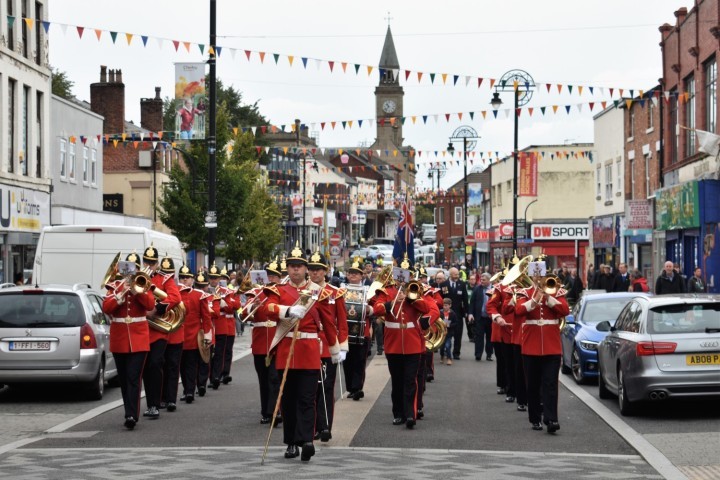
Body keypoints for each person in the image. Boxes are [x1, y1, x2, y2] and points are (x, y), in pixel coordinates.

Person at [258, 243, 340, 462]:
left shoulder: (317, 292)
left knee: (307, 398)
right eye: (291, 266)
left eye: (299, 266)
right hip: (286, 351)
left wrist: (335, 348)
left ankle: (306, 441)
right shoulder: (279, 290)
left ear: (305, 268)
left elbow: (328, 323)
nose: (295, 270)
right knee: (288, 400)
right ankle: (291, 442)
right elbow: (268, 309)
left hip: (310, 352)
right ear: (287, 268)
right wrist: (287, 310)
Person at [370, 257, 434, 429]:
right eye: (400, 275)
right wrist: (392, 302)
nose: (402, 278)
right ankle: (398, 413)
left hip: (413, 343)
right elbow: (377, 309)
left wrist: (411, 298)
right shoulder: (387, 291)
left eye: (406, 275)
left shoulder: (416, 291)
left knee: (410, 380)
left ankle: (410, 414)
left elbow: (427, 309)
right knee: (397, 381)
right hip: (393, 343)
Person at [102, 252, 155, 430]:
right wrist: (120, 294)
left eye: (133, 269)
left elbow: (150, 305)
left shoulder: (144, 284)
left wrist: (136, 291)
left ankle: (131, 415)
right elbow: (106, 307)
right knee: (124, 379)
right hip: (119, 339)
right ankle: (129, 410)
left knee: (134, 377)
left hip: (139, 339)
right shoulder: (114, 286)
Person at [516, 270, 570, 433]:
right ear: (532, 277)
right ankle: (535, 418)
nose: (539, 279)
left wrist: (549, 298)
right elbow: (519, 311)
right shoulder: (524, 292)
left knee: (550, 384)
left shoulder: (556, 291)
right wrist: (535, 299)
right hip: (531, 345)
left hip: (551, 345)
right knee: (532, 384)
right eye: (536, 276)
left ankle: (551, 418)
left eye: (542, 276)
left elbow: (565, 310)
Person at [308, 250, 348, 443]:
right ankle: (314, 426)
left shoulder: (334, 292)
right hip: (308, 345)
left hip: (328, 346)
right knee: (310, 389)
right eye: (312, 270)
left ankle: (325, 426)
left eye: (318, 270)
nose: (315, 273)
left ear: (325, 271)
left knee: (326, 387)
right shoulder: (304, 291)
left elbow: (341, 322)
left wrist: (342, 347)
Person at [141, 246, 181, 420]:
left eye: (152, 262)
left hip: (158, 331)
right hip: (141, 331)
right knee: (145, 369)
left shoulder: (164, 279)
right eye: (147, 262)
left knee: (155, 364)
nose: (149, 265)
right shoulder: (139, 277)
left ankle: (155, 405)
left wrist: (156, 309)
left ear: (157, 263)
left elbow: (175, 297)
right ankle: (150, 403)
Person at [242, 257, 282, 425]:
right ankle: (265, 411)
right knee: (263, 379)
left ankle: (275, 411)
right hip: (260, 342)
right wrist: (253, 306)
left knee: (274, 377)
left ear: (280, 277)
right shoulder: (257, 292)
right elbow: (243, 314)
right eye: (269, 275)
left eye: (275, 276)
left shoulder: (282, 292)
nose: (271, 279)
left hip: (277, 339)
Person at [178, 264, 212, 405]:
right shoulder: (175, 293)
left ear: (193, 280)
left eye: (188, 278)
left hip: (193, 336)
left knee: (191, 365)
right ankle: (187, 389)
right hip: (178, 335)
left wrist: (207, 335)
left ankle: (190, 391)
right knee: (181, 366)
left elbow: (206, 317)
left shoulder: (199, 295)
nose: (185, 280)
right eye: (183, 278)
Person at [343, 257, 375, 400]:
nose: (353, 275)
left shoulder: (368, 290)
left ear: (362, 275)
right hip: (346, 331)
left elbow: (377, 307)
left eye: (356, 273)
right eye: (351, 273)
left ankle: (357, 388)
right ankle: (350, 387)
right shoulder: (341, 290)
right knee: (347, 361)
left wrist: (370, 310)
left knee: (360, 361)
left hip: (363, 331)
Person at [158, 256, 184, 412]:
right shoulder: (155, 283)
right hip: (160, 332)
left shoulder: (177, 288)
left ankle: (171, 399)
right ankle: (160, 397)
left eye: (169, 273)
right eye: (164, 272)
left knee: (173, 367)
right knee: (159, 366)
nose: (166, 275)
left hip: (175, 333)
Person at [439, 267, 469, 359]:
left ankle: (456, 353)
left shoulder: (462, 284)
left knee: (458, 334)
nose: (457, 276)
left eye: (457, 274)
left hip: (458, 315)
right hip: (446, 315)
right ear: (450, 274)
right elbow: (441, 298)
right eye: (455, 274)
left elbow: (465, 299)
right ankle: (444, 351)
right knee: (446, 333)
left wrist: (467, 312)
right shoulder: (444, 284)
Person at [469, 273, 493, 361]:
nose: (481, 281)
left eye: (484, 280)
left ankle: (489, 354)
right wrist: (470, 314)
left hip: (490, 318)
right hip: (480, 317)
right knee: (479, 337)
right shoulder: (477, 289)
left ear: (489, 280)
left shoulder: (493, 289)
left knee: (490, 337)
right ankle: (478, 354)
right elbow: (472, 302)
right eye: (481, 280)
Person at [440, 298, 457, 364]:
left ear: (450, 305)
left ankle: (449, 358)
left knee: (447, 346)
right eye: (444, 305)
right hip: (442, 333)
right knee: (441, 347)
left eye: (446, 305)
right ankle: (442, 356)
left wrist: (450, 325)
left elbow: (455, 323)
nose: (445, 307)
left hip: (449, 333)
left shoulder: (453, 314)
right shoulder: (440, 312)